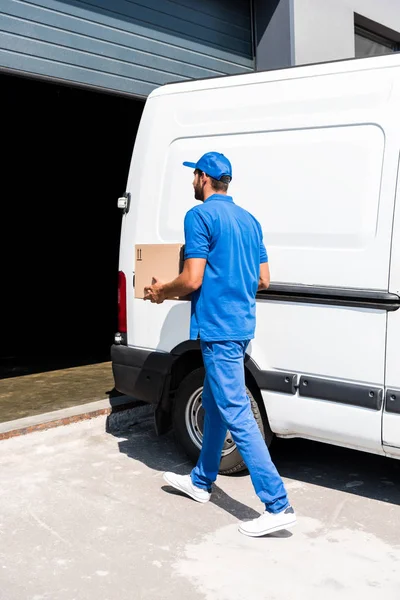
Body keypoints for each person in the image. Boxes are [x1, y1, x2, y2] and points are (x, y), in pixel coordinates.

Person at [144, 151, 295, 537]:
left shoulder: (200, 217)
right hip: (241, 326)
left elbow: (192, 279)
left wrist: (162, 291)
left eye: (194, 175)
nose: (192, 181)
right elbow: (264, 279)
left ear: (203, 178)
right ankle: (201, 481)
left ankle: (277, 504)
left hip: (218, 329)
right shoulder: (250, 221)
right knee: (213, 403)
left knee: (234, 409)